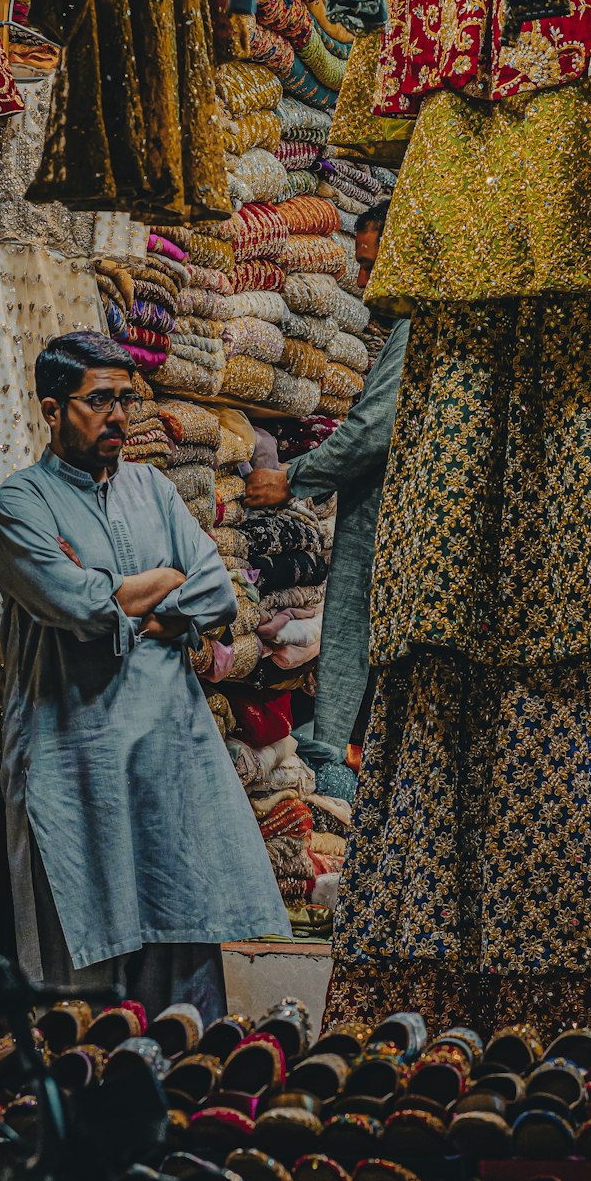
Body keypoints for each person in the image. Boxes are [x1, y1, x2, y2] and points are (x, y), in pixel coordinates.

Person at [0, 330, 290, 1021]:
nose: (120, 416)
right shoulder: (22, 502)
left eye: (127, 399)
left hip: (167, 745)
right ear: (52, 408)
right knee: (83, 950)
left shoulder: (152, 486)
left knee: (179, 939)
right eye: (100, 401)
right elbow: (74, 603)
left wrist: (127, 597)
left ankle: (187, 1112)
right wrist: (161, 581)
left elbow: (216, 592)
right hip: (74, 747)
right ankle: (89, 1114)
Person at [244, 200, 409, 763]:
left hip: (388, 520)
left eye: (370, 264)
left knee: (361, 637)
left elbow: (372, 430)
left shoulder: (417, 329)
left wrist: (292, 479)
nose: (362, 283)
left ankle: (338, 754)